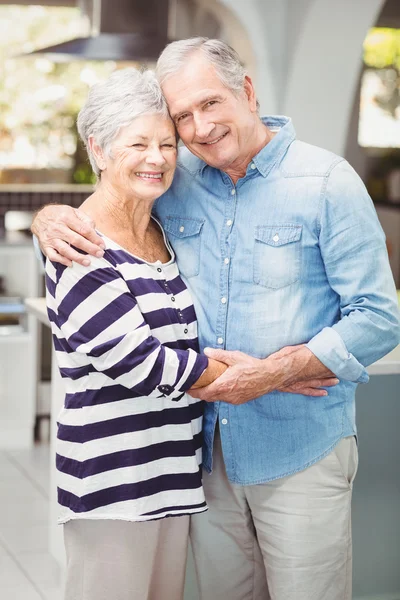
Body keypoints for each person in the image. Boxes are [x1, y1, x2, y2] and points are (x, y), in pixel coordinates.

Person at [33, 39, 400, 600]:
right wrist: (49, 216)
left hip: (299, 449)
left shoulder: (327, 182)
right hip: (203, 459)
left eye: (210, 104)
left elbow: (378, 317)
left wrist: (279, 370)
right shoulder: (178, 183)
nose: (197, 129)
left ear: (247, 92)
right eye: (182, 117)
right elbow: (116, 190)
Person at [44, 67, 230, 600]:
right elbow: (140, 362)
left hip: (170, 471)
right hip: (113, 480)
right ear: (98, 149)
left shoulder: (162, 229)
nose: (157, 157)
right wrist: (256, 375)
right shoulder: (81, 245)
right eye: (139, 143)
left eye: (168, 144)